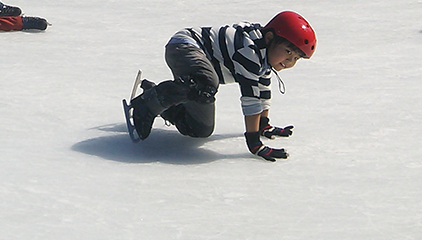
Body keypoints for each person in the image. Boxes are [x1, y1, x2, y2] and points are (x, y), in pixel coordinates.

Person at [126, 11, 316, 162]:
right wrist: (254, 143)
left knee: (199, 130)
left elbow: (262, 92)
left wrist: (263, 126)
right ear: (269, 38)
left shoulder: (265, 58)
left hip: (201, 69)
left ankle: (157, 96)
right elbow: (250, 100)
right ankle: (147, 104)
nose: (290, 61)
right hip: (185, 46)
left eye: (296, 58)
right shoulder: (250, 51)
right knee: (206, 84)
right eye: (288, 52)